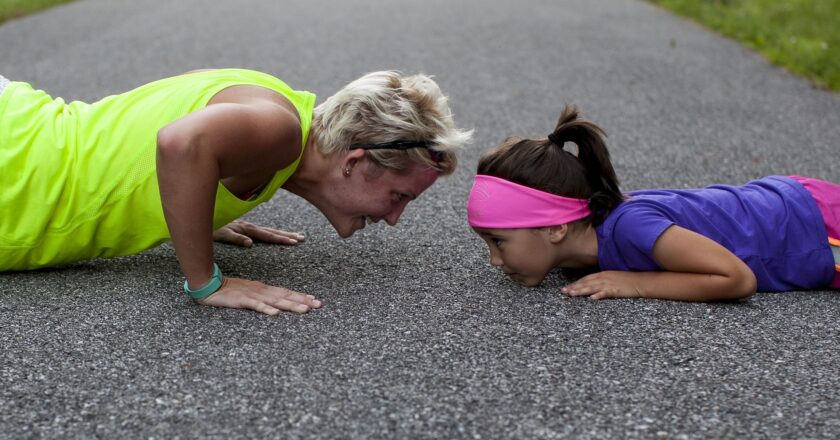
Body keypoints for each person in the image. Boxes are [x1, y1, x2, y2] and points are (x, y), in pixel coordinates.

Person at [0, 69, 471, 314]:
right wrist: (207, 282)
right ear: (354, 162)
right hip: (15, 171)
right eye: (399, 196)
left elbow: (160, 116)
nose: (394, 218)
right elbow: (179, 142)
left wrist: (194, 206)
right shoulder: (280, 131)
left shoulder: (276, 105)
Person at [467, 105, 839, 301]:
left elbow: (736, 278)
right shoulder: (584, 248)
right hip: (795, 203)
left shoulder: (630, 227)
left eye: (499, 241)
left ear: (555, 227)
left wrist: (637, 283)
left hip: (816, 226)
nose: (495, 260)